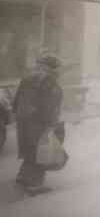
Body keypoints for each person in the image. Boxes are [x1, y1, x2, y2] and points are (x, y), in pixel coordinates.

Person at [12, 53, 63, 190]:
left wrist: (18, 114)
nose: (59, 71)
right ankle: (35, 183)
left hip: (23, 117)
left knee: (29, 147)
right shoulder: (49, 79)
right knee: (41, 150)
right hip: (38, 119)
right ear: (52, 67)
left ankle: (23, 175)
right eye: (58, 68)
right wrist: (51, 124)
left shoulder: (28, 76)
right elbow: (49, 104)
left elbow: (16, 99)